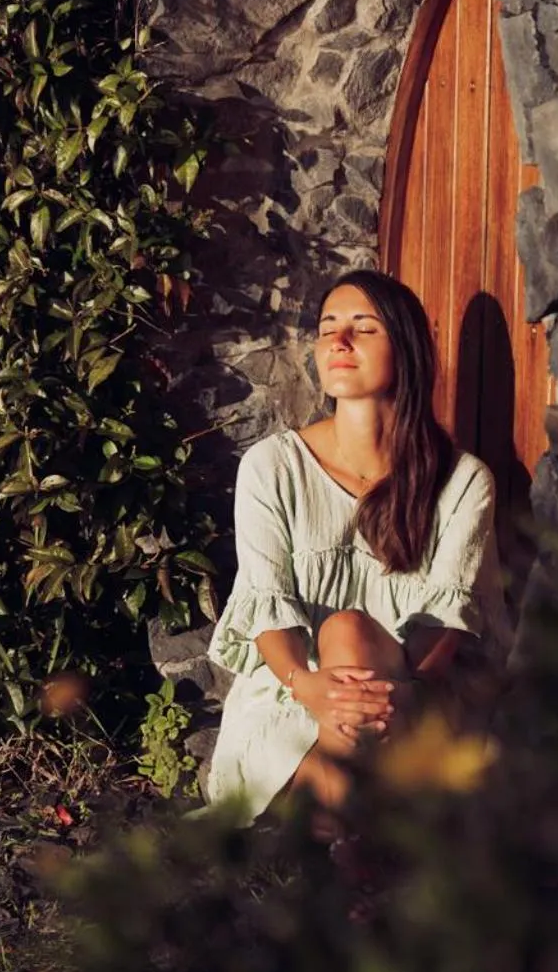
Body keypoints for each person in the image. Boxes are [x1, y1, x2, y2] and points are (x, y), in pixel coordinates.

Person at [201, 269, 511, 823]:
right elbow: (266, 602)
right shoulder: (272, 467)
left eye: (363, 329)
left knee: (348, 633)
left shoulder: (463, 481)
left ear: (407, 348)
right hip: (297, 694)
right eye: (328, 329)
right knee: (340, 641)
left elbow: (445, 622)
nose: (338, 342)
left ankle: (332, 837)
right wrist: (308, 686)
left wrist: (387, 698)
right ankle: (351, 838)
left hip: (412, 697)